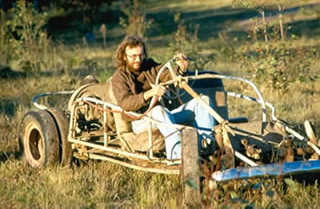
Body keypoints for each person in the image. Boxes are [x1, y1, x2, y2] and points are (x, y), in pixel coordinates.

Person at [111, 35, 215, 161]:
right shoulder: (119, 77)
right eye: (133, 56)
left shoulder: (149, 66)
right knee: (158, 110)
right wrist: (150, 93)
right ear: (124, 56)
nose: (138, 59)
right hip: (140, 121)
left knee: (202, 101)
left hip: (164, 116)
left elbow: (167, 74)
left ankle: (207, 147)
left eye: (141, 55)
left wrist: (181, 69)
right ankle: (176, 157)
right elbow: (125, 103)